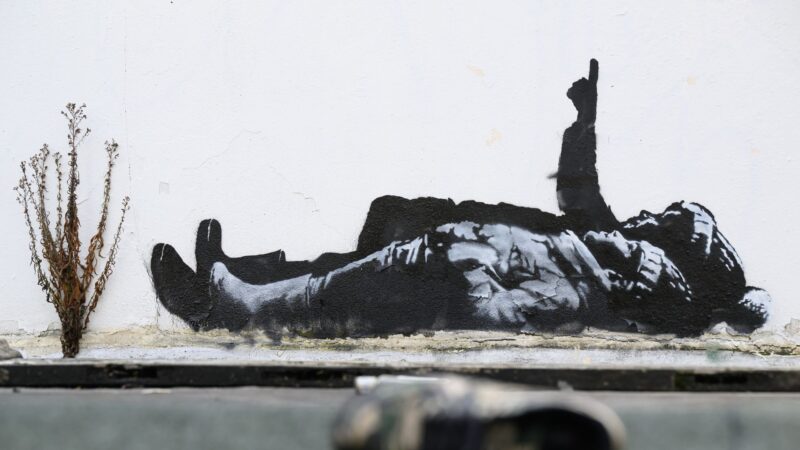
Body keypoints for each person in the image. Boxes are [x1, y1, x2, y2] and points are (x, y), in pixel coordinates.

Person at [151, 60, 769, 337]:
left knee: (404, 260)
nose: (651, 216)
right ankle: (241, 280)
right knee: (393, 217)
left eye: (664, 220)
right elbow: (583, 204)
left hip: (500, 273)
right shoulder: (639, 249)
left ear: (684, 248)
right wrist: (583, 125)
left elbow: (589, 249)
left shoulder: (662, 277)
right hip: (510, 257)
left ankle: (228, 305)